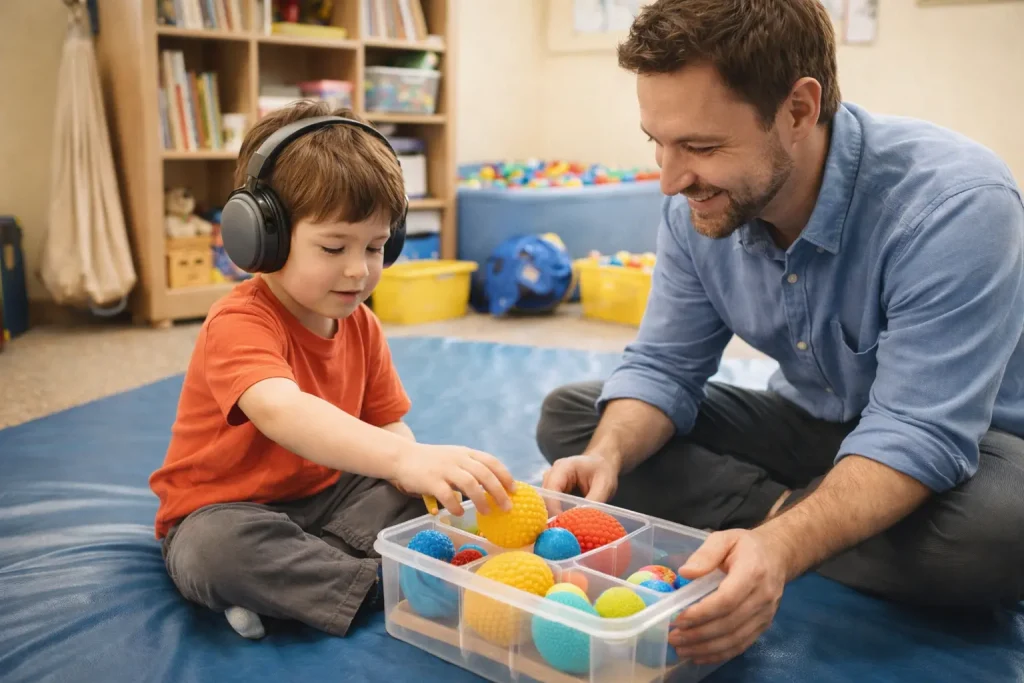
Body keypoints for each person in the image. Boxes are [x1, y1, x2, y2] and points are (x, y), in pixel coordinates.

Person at [538, 0, 1024, 667]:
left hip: (970, 450)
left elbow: (920, 432)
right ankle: (797, 519)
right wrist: (608, 455)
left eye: (701, 147)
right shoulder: (698, 205)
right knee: (575, 421)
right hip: (811, 426)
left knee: (1003, 532)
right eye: (658, 141)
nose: (670, 179)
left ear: (798, 110)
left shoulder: (956, 204)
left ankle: (773, 528)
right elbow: (663, 366)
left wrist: (783, 547)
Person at [149, 101, 516, 641]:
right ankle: (371, 583)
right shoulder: (239, 320)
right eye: (333, 247)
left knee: (422, 492)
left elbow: (387, 424)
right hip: (227, 511)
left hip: (330, 498)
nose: (358, 270)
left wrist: (414, 466)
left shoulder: (362, 323)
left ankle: (303, 584)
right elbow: (281, 409)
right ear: (264, 236)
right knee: (213, 554)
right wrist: (404, 458)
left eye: (376, 247)